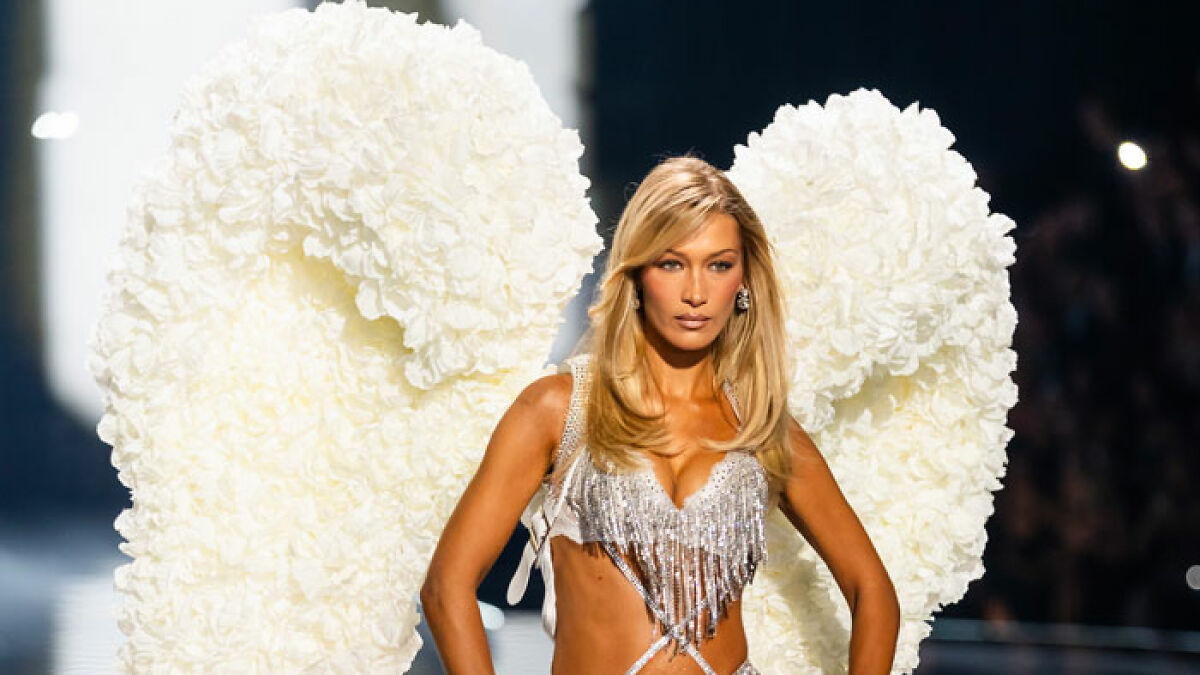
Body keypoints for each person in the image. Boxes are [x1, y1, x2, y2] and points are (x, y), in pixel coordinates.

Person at [420, 155, 901, 674]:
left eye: (719, 264)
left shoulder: (762, 427)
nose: (695, 292)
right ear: (637, 274)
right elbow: (448, 587)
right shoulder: (559, 409)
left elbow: (872, 589)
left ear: (743, 280)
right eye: (672, 263)